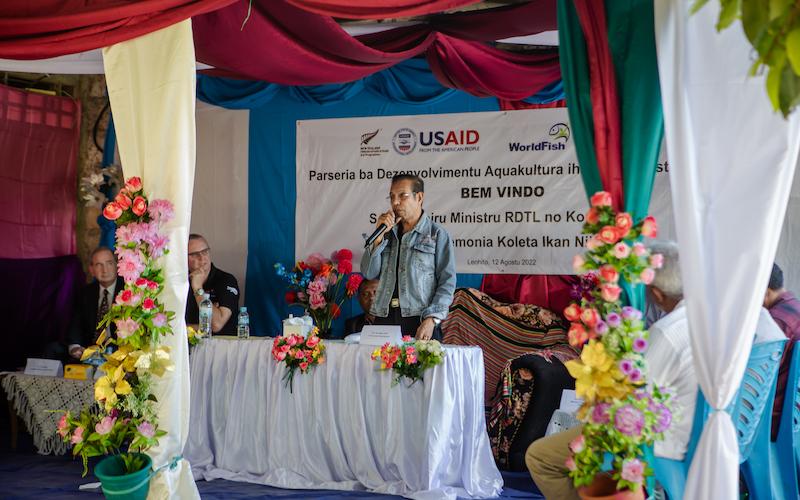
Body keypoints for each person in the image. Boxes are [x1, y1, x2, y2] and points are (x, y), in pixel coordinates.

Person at [525, 242, 785, 498]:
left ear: (657, 294)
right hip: (729, 431)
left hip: (671, 442)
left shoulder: (670, 332)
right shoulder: (737, 318)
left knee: (541, 456)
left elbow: (633, 405)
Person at [360, 174, 456, 341]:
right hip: (385, 318)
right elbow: (368, 273)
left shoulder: (436, 234)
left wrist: (432, 319)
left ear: (419, 197)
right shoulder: (386, 235)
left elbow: (447, 282)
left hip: (420, 319)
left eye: (402, 196)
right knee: (381, 368)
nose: (395, 202)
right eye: (391, 197)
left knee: (422, 367)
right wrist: (377, 240)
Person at [67, 247, 124, 360]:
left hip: (119, 350)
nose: (105, 270)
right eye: (99, 265)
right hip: (90, 350)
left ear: (117, 265)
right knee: (53, 349)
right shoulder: (85, 293)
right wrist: (75, 347)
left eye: (109, 263)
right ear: (92, 270)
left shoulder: (129, 291)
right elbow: (76, 324)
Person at [764, 263, 800, 440]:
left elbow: (758, 376)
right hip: (794, 413)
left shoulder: (775, 322)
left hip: (773, 419)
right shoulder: (795, 308)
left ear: (764, 292)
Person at [185, 234, 240, 335]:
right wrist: (203, 327)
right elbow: (172, 325)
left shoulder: (226, 280)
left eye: (205, 251)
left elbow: (216, 324)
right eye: (194, 254)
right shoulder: (180, 283)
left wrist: (198, 288)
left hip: (221, 347)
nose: (202, 258)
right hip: (187, 347)